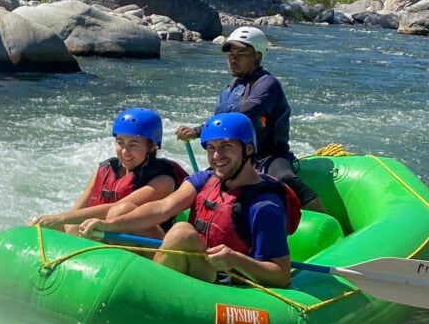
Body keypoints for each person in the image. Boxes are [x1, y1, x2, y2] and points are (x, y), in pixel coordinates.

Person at [79, 113, 297, 288]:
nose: (216, 156)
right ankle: (107, 284)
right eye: (211, 148)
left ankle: (138, 294)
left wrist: (236, 260)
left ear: (248, 149)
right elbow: (162, 207)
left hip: (225, 284)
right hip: (195, 263)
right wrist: (107, 225)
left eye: (226, 147)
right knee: (120, 214)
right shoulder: (206, 178)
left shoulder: (265, 206)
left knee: (182, 231)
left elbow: (280, 276)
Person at [174, 25, 324, 212]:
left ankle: (327, 219)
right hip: (236, 157)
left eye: (241, 54)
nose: (233, 59)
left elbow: (244, 115)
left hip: (269, 156)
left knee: (285, 178)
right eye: (230, 54)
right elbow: (217, 127)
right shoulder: (228, 90)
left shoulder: (267, 84)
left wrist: (196, 131)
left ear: (258, 56)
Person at [31, 107, 187, 237]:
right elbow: (78, 211)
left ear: (152, 147)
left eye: (133, 145)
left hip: (151, 245)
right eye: (120, 143)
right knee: (69, 225)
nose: (125, 151)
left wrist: (59, 218)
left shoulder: (163, 180)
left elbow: (114, 210)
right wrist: (54, 222)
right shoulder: (106, 170)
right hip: (107, 233)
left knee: (121, 210)